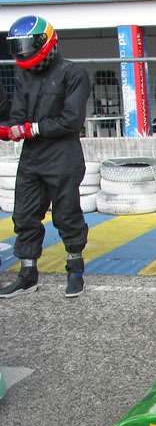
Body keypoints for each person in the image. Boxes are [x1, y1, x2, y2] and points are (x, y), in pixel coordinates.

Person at [0, 15, 90, 299]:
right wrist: (8, 130)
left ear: (45, 42)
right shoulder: (22, 75)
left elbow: (72, 120)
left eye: (27, 45)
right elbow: (18, 116)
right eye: (18, 46)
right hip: (32, 157)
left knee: (66, 215)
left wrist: (32, 128)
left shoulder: (73, 73)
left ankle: (75, 271)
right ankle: (28, 275)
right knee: (24, 215)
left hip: (63, 156)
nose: (23, 52)